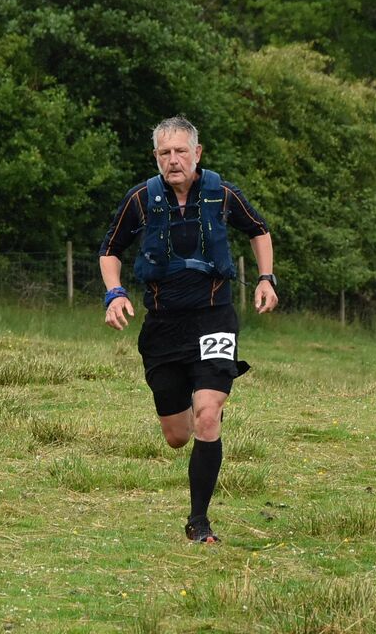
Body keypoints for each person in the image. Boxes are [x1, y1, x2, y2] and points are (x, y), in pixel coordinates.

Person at [98, 115, 278, 544]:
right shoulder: (141, 198)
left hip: (214, 317)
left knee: (208, 414)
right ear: (156, 157)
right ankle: (186, 412)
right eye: (165, 153)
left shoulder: (223, 194)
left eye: (181, 151)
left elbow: (259, 230)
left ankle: (199, 522)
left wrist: (267, 278)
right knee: (177, 436)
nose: (173, 160)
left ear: (197, 153)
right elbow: (110, 250)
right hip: (163, 326)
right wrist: (115, 293)